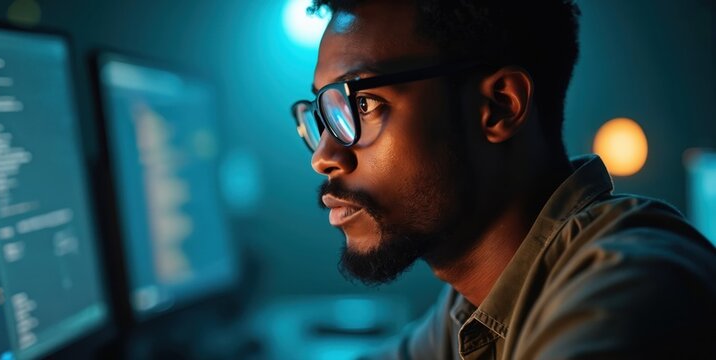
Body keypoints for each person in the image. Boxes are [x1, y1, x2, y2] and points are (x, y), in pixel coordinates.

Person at [290, 0, 716, 358]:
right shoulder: (474, 298)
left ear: (499, 106)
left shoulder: (630, 290)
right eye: (324, 115)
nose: (324, 157)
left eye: (361, 105)